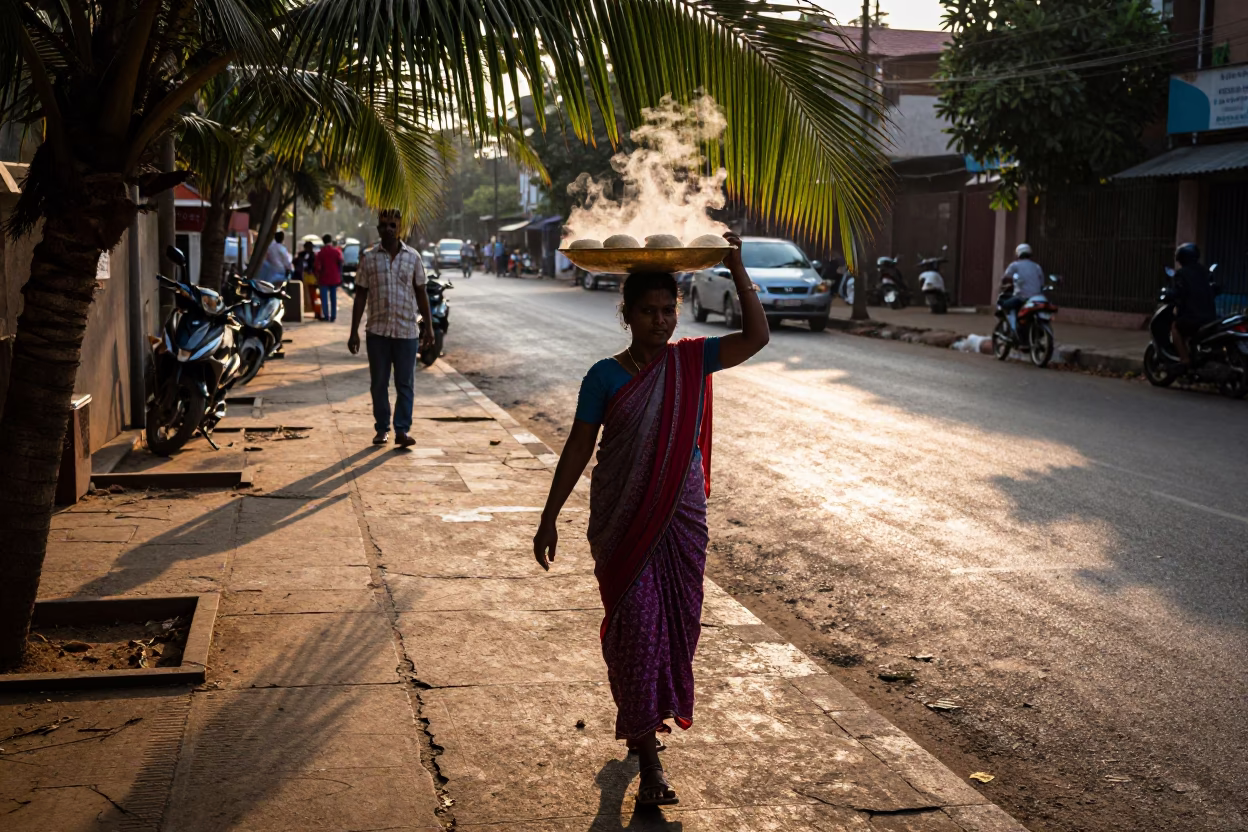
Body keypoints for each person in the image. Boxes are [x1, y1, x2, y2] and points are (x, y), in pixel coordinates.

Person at [532, 232, 768, 808]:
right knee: (636, 630)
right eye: (648, 311)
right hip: (621, 524)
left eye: (668, 310)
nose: (660, 321)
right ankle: (648, 758)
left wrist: (737, 267)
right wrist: (549, 516)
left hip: (681, 521)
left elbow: (757, 338)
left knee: (674, 629)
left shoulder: (692, 360)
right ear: (626, 314)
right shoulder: (604, 376)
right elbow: (578, 448)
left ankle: (645, 729)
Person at [347, 210, 436, 447]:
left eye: (393, 225)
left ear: (400, 228)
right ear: (378, 228)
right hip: (377, 333)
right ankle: (382, 428)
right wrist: (354, 331)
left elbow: (421, 292)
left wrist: (429, 327)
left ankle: (402, 430)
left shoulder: (413, 257)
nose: (388, 229)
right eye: (384, 225)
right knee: (379, 383)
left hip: (407, 332)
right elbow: (360, 295)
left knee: (405, 384)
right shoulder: (369, 258)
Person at [1170, 242, 1218, 367]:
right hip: (1211, 317)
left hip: (1193, 318)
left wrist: (1171, 295)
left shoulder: (1181, 274)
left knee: (1175, 328)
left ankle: (1185, 359)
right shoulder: (1204, 271)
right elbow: (1215, 289)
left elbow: (1179, 293)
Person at [1001, 243, 1045, 336]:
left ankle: (1013, 329)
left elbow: (1005, 279)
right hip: (1037, 298)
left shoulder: (1015, 265)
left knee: (1006, 305)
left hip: (1022, 297)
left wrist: (1007, 284)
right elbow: (1041, 283)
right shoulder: (1037, 266)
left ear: (1018, 254)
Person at [314, 233, 345, 323]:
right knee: (333, 297)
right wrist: (340, 275)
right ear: (331, 241)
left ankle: (326, 315)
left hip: (323, 278)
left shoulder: (320, 253)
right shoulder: (336, 251)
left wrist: (317, 276)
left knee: (324, 298)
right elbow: (340, 263)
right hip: (334, 277)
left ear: (323, 241)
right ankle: (333, 316)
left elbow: (317, 266)